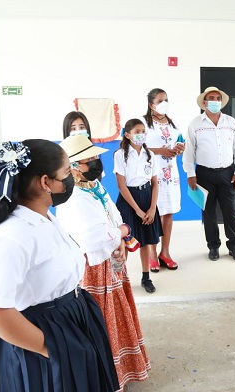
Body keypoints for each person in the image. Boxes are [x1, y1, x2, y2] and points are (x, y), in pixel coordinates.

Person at [0, 139, 119, 391]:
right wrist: (49, 346)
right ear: (45, 182)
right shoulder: (11, 236)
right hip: (45, 335)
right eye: (66, 173)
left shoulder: (46, 218)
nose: (71, 178)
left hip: (70, 320)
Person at [55, 135, 151, 389]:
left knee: (117, 313)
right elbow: (93, 238)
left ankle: (123, 370)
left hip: (111, 260)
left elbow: (115, 217)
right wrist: (119, 233)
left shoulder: (94, 187)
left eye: (97, 157)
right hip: (94, 268)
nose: (97, 162)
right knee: (101, 320)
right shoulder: (72, 198)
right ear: (74, 167)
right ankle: (108, 376)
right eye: (91, 160)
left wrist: (120, 235)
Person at [182, 86, 235, 261]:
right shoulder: (195, 124)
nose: (215, 101)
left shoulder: (231, 123)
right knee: (208, 212)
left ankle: (234, 246)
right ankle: (213, 247)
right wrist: (190, 173)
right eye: (212, 98)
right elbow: (189, 151)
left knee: (230, 211)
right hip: (204, 174)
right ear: (204, 102)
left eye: (218, 98)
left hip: (228, 172)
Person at [114, 118, 163, 293]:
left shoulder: (149, 154)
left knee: (145, 241)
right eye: (137, 132)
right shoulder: (120, 155)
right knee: (125, 241)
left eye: (143, 131)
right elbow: (121, 185)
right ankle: (121, 279)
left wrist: (151, 208)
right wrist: (137, 210)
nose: (141, 134)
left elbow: (156, 183)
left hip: (147, 197)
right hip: (129, 201)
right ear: (127, 135)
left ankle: (146, 277)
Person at [142, 88, 185, 272]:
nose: (164, 103)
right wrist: (161, 151)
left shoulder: (172, 122)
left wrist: (179, 148)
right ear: (151, 105)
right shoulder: (144, 122)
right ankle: (152, 255)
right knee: (153, 213)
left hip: (171, 173)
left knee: (168, 213)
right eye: (160, 100)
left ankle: (165, 252)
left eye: (166, 99)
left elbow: (177, 141)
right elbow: (137, 146)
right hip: (152, 173)